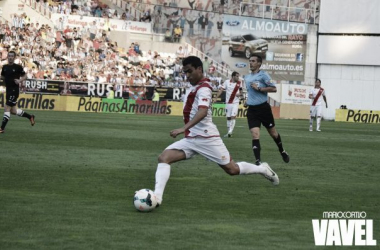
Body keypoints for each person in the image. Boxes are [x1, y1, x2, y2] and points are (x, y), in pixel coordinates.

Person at [153, 56, 279, 207]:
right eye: (185, 72)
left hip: (207, 138)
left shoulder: (204, 88)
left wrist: (183, 128)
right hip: (192, 138)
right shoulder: (194, 86)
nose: (187, 76)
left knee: (232, 169)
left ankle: (262, 169)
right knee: (164, 158)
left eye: (190, 71)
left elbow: (203, 111)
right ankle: (157, 198)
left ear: (199, 69)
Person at [244, 55, 289, 165]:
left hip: (263, 109)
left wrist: (259, 88)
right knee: (255, 134)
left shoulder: (263, 75)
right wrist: (248, 100)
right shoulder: (246, 77)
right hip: (252, 110)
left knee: (273, 133)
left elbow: (273, 88)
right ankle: (258, 161)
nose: (251, 63)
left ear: (259, 63)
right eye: (250, 61)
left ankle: (282, 150)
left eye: (253, 61)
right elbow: (250, 92)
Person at [1, 51, 35, 134]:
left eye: (12, 56)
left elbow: (25, 76)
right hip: (8, 90)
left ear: (14, 57)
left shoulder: (18, 67)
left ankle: (2, 128)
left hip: (14, 91)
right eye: (9, 56)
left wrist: (20, 80)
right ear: (7, 57)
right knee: (13, 111)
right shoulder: (4, 67)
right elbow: (2, 76)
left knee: (7, 108)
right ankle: (30, 117)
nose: (10, 57)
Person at [214, 71, 243, 137]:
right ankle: (228, 133)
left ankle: (230, 132)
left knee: (233, 116)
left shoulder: (239, 83)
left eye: (238, 76)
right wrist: (216, 98)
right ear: (233, 76)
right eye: (237, 76)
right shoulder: (227, 82)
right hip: (228, 103)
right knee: (228, 118)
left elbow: (241, 92)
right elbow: (221, 90)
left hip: (235, 102)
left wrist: (240, 94)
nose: (238, 78)